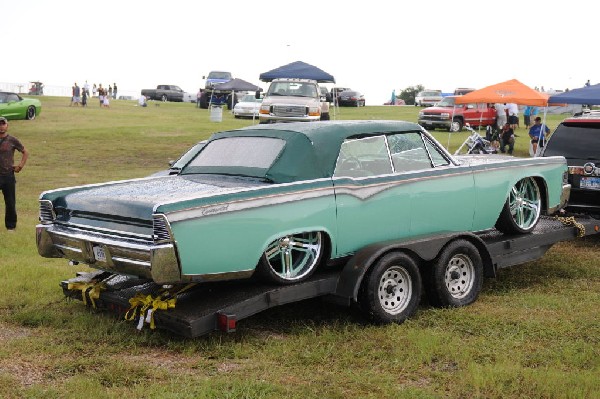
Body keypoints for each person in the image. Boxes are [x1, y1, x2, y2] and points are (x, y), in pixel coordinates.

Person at [0, 117, 29, 231]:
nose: (1, 126)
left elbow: (25, 152)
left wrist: (20, 166)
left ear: (7, 126)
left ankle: (11, 227)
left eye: (3, 124)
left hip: (8, 176)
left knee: (10, 203)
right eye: (0, 124)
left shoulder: (12, 140)